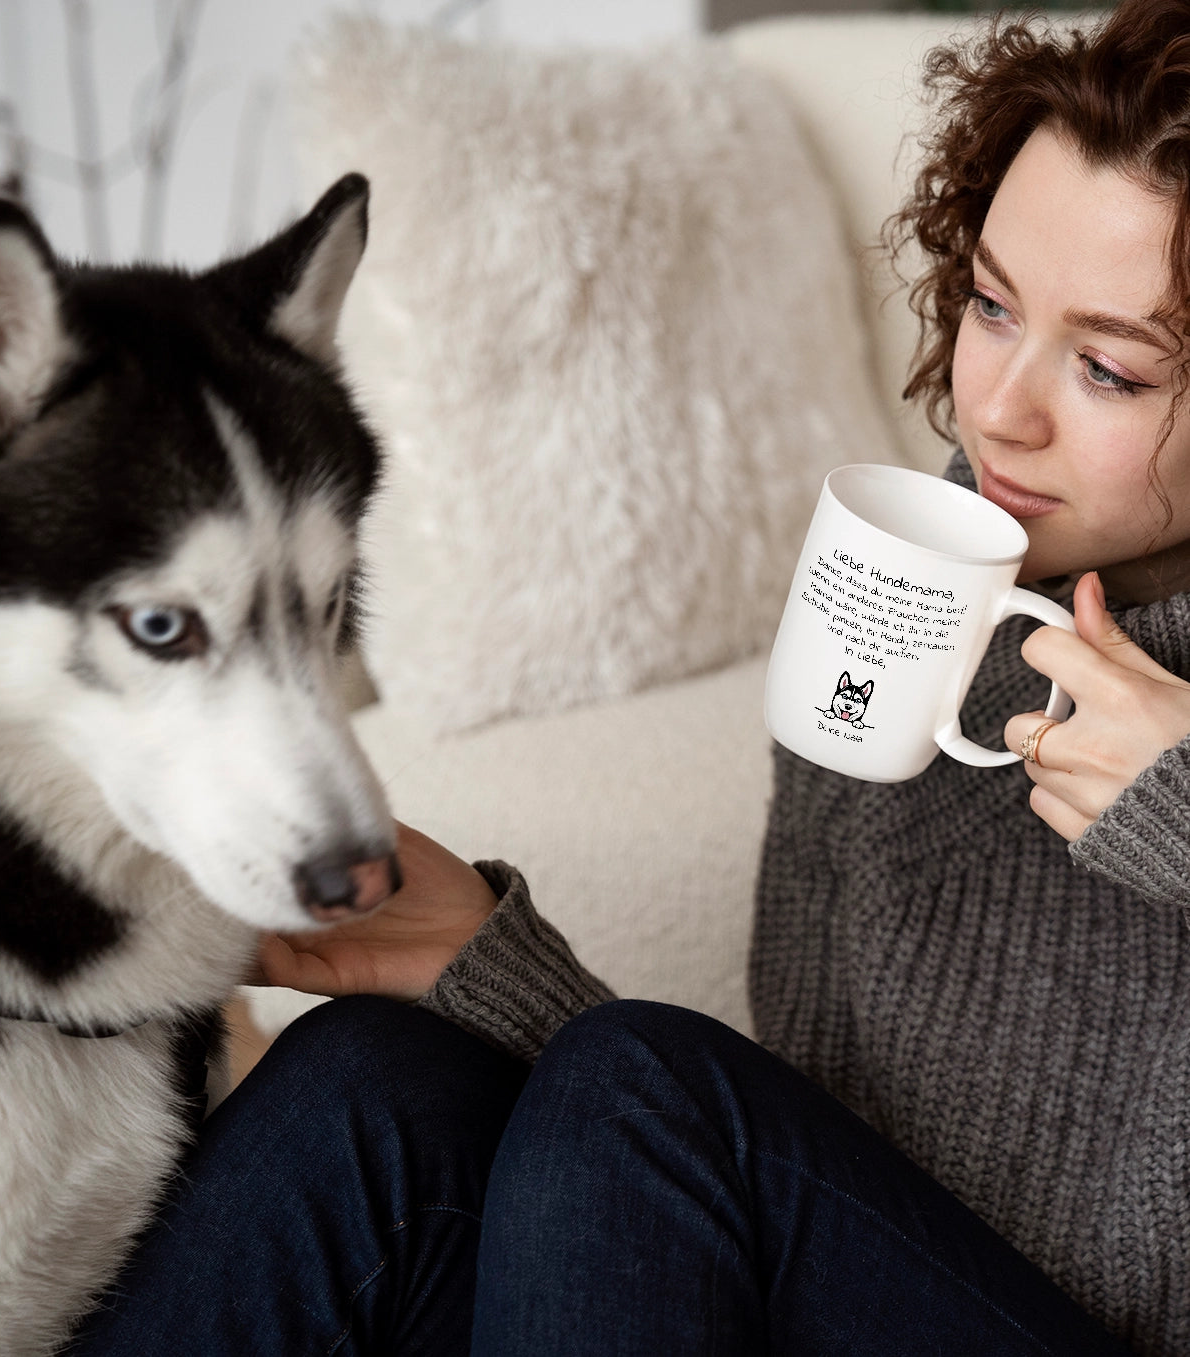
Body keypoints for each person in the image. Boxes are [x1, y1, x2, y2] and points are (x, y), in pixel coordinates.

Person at [68, 1, 1190, 1353]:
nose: (1000, 404)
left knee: (643, 1082)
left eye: (1111, 368)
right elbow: (802, 1172)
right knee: (374, 1079)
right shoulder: (915, 585)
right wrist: (476, 961)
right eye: (993, 304)